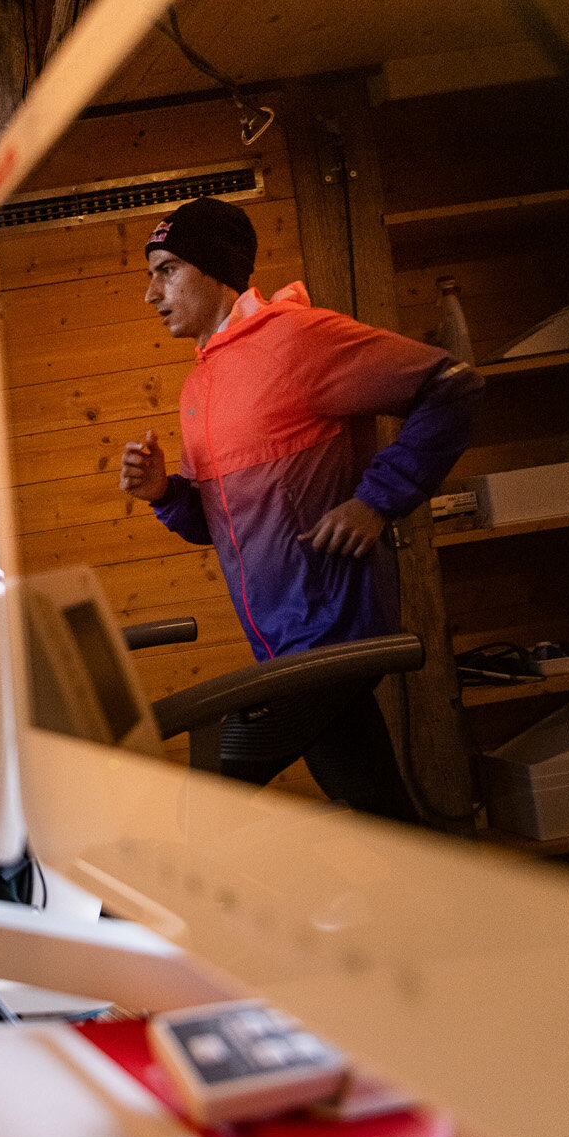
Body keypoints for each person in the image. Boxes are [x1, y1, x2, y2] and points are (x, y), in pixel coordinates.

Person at [119, 197, 480, 824]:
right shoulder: (200, 385)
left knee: (202, 805)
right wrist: (166, 494)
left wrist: (377, 501)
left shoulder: (297, 340)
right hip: (283, 646)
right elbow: (223, 527)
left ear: (215, 271)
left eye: (168, 269)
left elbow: (453, 385)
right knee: (378, 810)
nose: (151, 293)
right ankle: (439, 915)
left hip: (331, 636)